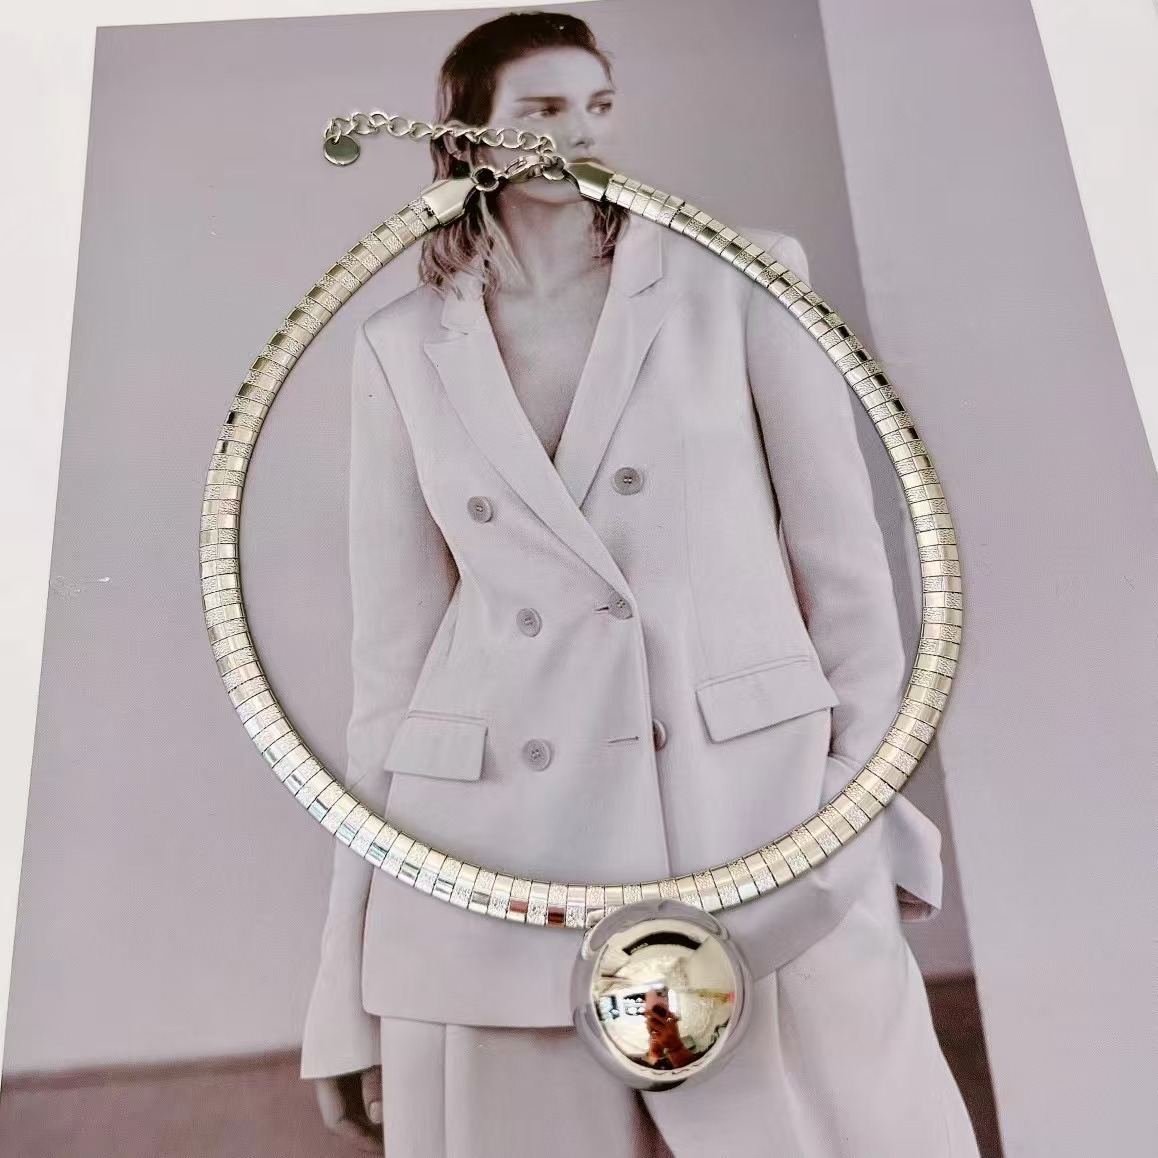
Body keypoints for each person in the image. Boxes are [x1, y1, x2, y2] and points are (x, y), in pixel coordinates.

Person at [300, 10, 982, 1156]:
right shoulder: (401, 344)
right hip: (495, 851)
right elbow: (393, 673)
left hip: (747, 813)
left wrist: (844, 818)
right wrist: (343, 987)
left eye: (598, 105)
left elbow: (851, 584)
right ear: (468, 134)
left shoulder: (739, 277)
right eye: (542, 109)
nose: (579, 132)